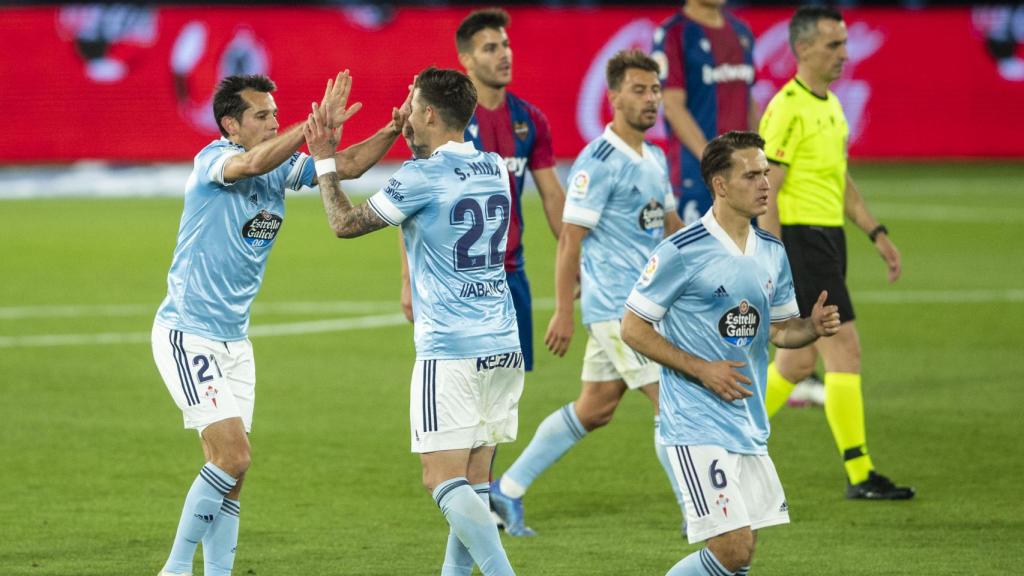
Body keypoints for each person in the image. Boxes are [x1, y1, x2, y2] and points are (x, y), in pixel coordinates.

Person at [151, 71, 407, 576]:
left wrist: (392, 129)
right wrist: (311, 127)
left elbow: (347, 165)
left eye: (275, 113)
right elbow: (249, 163)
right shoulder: (214, 161)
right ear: (231, 124)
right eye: (262, 115)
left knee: (232, 472)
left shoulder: (283, 169)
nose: (273, 122)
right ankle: (176, 568)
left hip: (234, 342)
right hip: (189, 333)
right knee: (234, 457)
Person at [305, 67, 521, 576]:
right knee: (473, 482)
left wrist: (323, 164)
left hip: (451, 348)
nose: (402, 111)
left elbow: (344, 223)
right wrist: (395, 134)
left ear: (428, 112)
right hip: (502, 343)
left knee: (440, 480)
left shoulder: (423, 176)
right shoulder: (494, 167)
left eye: (409, 101)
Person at [620, 130, 841, 575]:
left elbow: (779, 332)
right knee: (733, 549)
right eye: (752, 175)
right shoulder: (681, 251)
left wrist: (810, 329)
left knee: (739, 557)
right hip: (696, 422)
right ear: (720, 184)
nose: (765, 184)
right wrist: (701, 369)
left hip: (749, 421)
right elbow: (633, 328)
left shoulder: (771, 253)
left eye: (766, 173)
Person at [489, 50, 687, 537]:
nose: (650, 99)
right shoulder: (597, 163)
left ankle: (507, 490)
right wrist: (562, 311)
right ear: (614, 96)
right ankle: (700, 513)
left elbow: (670, 226)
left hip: (645, 305)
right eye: (638, 90)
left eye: (655, 91)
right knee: (675, 402)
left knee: (595, 407)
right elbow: (570, 239)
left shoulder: (655, 156)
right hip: (619, 311)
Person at [757, 6, 914, 500]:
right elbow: (767, 190)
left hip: (829, 239)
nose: (845, 54)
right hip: (801, 243)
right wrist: (772, 260)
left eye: (844, 44)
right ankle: (860, 472)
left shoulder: (830, 106)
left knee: (797, 365)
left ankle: (726, 436)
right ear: (803, 49)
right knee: (844, 346)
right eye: (833, 45)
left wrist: (876, 232)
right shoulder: (786, 108)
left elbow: (838, 181)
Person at [399, 8, 565, 373]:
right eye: (490, 48)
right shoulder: (447, 120)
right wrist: (407, 280)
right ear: (466, 60)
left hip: (510, 274)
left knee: (507, 396)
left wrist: (577, 261)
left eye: (506, 45)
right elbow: (412, 196)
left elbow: (552, 195)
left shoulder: (529, 120)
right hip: (453, 280)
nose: (504, 54)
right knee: (460, 385)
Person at [652, 0, 757, 226]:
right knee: (699, 258)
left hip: (743, 174)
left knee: (746, 258)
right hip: (697, 176)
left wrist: (757, 156)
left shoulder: (741, 31)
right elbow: (672, 106)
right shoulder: (674, 34)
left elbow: (748, 100)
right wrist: (714, 159)